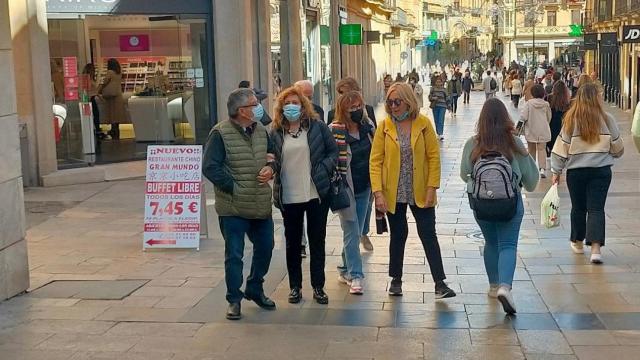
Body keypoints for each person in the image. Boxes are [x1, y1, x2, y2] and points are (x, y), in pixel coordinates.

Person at [370, 83, 456, 299]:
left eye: (397, 101)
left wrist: (432, 188)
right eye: (389, 102)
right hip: (394, 190)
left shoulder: (424, 123)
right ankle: (396, 280)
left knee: (428, 233)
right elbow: (375, 161)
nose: (393, 106)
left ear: (408, 100)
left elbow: (433, 158)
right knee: (398, 235)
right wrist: (378, 193)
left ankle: (439, 283)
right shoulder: (385, 126)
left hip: (420, 188)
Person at [459, 98, 539, 314]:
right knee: (508, 245)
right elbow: (532, 181)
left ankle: (494, 285)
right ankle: (505, 286)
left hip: (481, 205)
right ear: (506, 118)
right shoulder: (514, 143)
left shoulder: (473, 144)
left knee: (491, 242)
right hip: (510, 204)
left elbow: (463, 173)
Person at [203, 88, 277, 320]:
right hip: (233, 207)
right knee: (234, 255)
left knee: (266, 247)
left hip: (260, 203)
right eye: (254, 104)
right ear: (240, 111)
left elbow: (273, 155)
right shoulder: (220, 134)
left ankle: (255, 287)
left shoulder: (262, 132)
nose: (258, 108)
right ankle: (233, 299)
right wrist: (234, 187)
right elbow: (210, 167)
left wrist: (271, 169)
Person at [270, 86, 338, 305]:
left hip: (315, 193)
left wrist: (324, 168)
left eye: (295, 103)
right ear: (281, 107)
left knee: (317, 241)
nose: (292, 107)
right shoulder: (276, 132)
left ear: (303, 105)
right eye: (287, 103)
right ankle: (295, 287)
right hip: (289, 195)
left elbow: (333, 151)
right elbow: (270, 157)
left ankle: (318, 286)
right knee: (292, 244)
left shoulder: (317, 127)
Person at [551, 83, 624, 264]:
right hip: (601, 171)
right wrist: (609, 152)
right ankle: (596, 249)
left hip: (576, 172)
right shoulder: (607, 119)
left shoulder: (570, 120)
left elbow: (561, 148)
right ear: (597, 99)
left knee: (578, 207)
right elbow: (618, 148)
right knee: (596, 208)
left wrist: (556, 171)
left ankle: (577, 241)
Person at [329, 90, 375, 295]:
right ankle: (356, 275)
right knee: (352, 230)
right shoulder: (334, 131)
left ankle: (343, 268)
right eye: (352, 108)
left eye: (359, 106)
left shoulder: (368, 127)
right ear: (343, 110)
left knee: (356, 231)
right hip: (345, 189)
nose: (356, 110)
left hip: (365, 187)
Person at [520, 84, 552, 178]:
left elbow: (523, 117)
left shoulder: (529, 104)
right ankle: (542, 169)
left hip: (531, 129)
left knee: (531, 150)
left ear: (532, 93)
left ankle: (532, 168)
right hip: (543, 129)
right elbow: (549, 117)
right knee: (542, 149)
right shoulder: (546, 104)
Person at [97, 58, 127, 140]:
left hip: (110, 95)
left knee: (111, 112)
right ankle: (116, 129)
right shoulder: (119, 73)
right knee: (117, 114)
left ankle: (113, 129)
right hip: (118, 94)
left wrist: (99, 90)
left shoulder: (109, 72)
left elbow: (105, 82)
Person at [546, 81, 571, 156]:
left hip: (552, 121)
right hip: (563, 121)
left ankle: (552, 150)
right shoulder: (567, 98)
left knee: (553, 137)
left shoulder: (550, 97)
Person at [82, 63, 104, 140]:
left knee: (95, 115)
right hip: (89, 99)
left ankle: (96, 129)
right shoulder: (87, 79)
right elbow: (89, 90)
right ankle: (96, 130)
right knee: (94, 115)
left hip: (90, 99)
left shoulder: (87, 78)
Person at [428, 75, 449, 141]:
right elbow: (429, 97)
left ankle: (440, 133)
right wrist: (433, 98)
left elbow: (447, 98)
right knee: (436, 120)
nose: (438, 83)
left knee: (441, 120)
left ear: (442, 82)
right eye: (437, 82)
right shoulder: (433, 89)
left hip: (443, 106)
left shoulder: (444, 89)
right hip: (435, 106)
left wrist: (449, 106)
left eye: (440, 82)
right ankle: (438, 133)